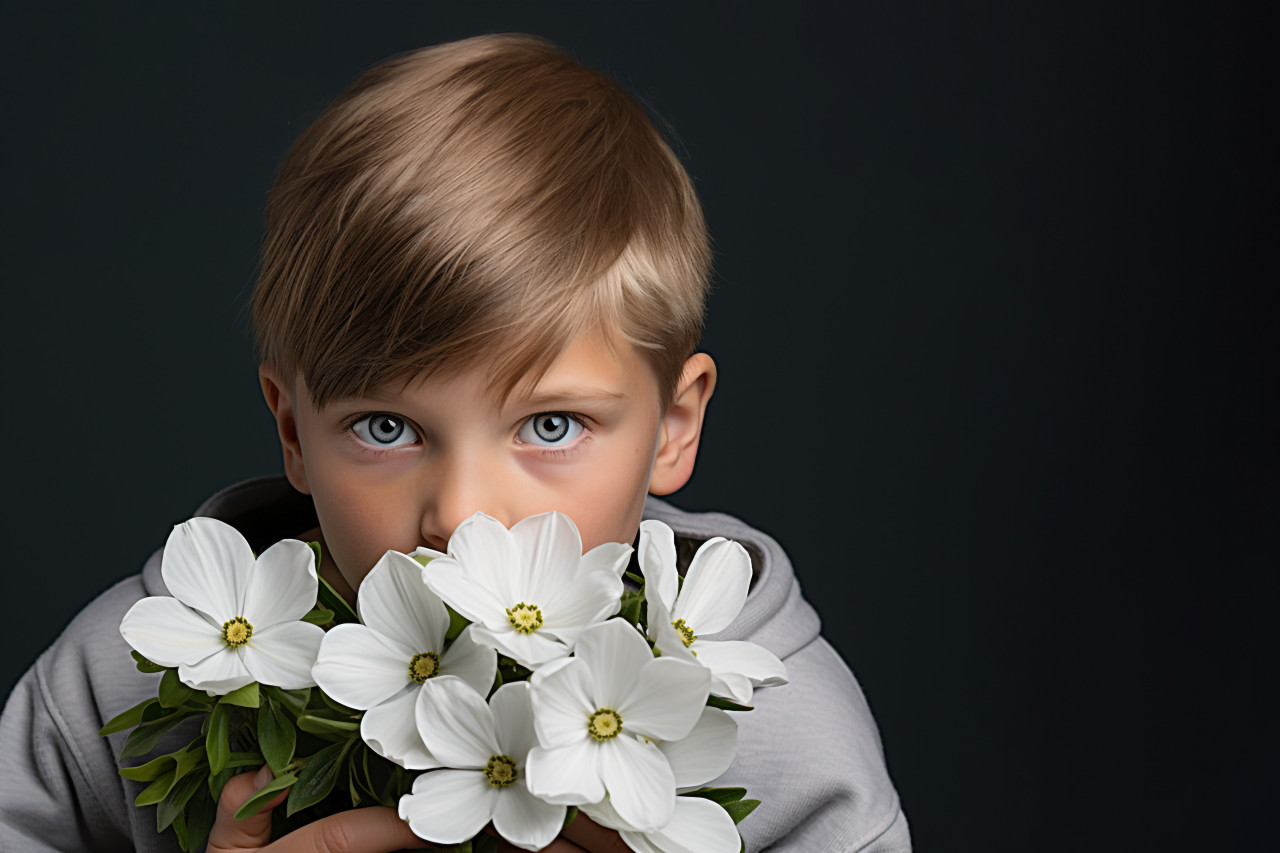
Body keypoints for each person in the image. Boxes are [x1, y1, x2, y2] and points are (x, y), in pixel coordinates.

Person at [0, 34, 909, 852]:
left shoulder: (788, 735)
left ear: (674, 426)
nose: (464, 515)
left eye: (551, 426)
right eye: (386, 428)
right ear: (293, 430)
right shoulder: (114, 688)